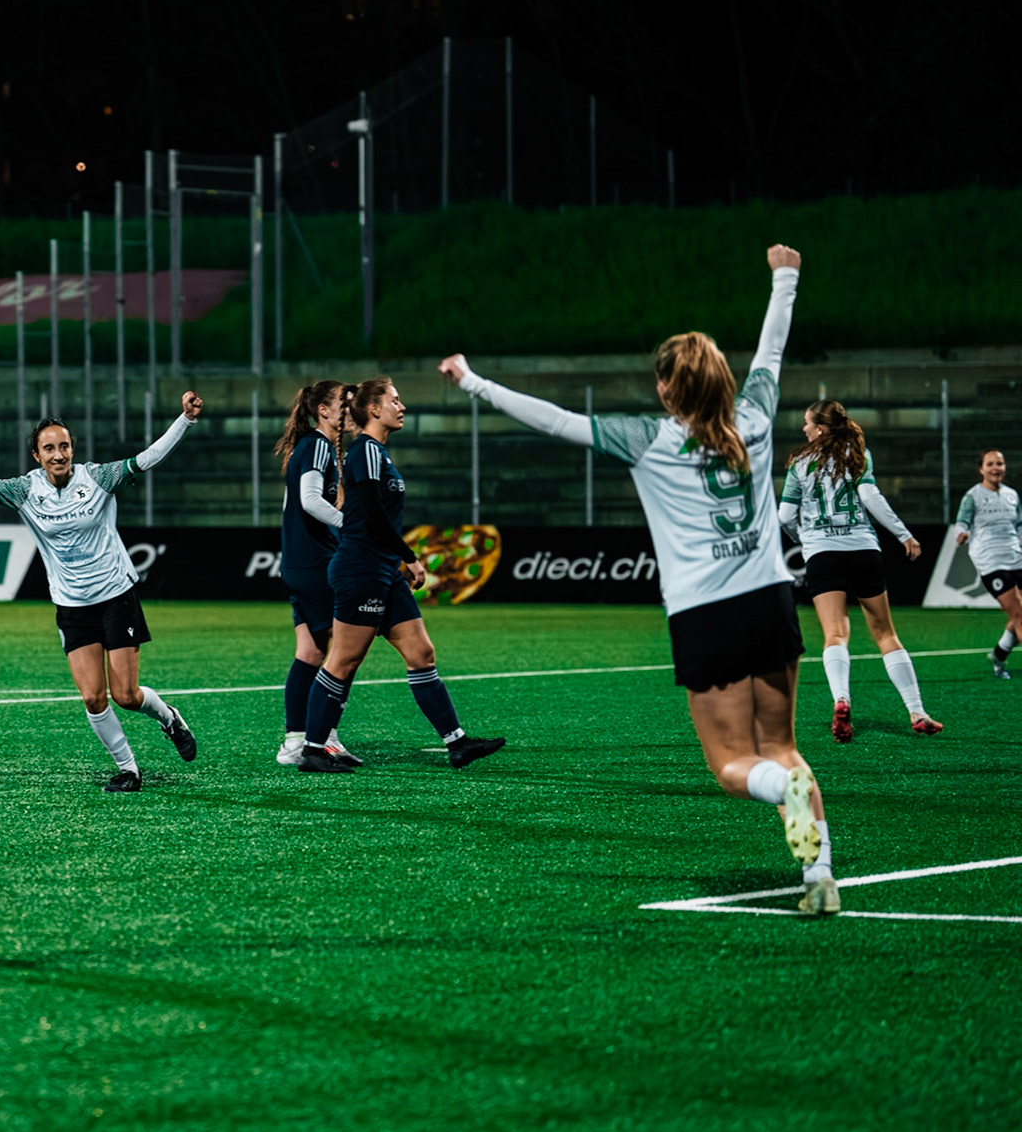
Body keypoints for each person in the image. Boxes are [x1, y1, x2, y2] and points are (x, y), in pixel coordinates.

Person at [438, 244, 840, 915]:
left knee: (733, 766)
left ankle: (782, 793)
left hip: (705, 614)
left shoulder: (649, 439)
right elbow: (771, 350)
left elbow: (556, 421)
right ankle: (819, 876)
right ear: (723, 380)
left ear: (665, 390)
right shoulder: (755, 418)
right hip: (771, 601)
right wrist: (785, 277)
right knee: (783, 747)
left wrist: (474, 381)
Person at [0, 395, 205, 791]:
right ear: (37, 455)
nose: (58, 454)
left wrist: (185, 419)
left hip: (116, 597)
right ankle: (129, 770)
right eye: (49, 448)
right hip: (72, 606)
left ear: (72, 450)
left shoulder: (98, 478)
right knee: (93, 697)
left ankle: (170, 718)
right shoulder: (24, 490)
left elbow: (147, 458)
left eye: (64, 446)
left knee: (126, 696)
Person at [299, 376, 506, 775]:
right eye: (394, 400)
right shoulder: (365, 449)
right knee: (343, 660)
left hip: (382, 570)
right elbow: (372, 514)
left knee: (421, 653)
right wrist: (409, 557)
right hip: (361, 569)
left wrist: (396, 560)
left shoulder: (379, 453)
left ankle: (457, 743)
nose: (402, 406)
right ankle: (312, 749)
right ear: (374, 409)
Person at [778, 400, 940, 739]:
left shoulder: (799, 463)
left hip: (822, 553)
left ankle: (841, 699)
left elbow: (784, 517)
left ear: (821, 428)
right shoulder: (858, 454)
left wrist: (805, 539)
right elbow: (870, 496)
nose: (804, 428)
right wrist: (904, 535)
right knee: (885, 634)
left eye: (807, 423)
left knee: (835, 634)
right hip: (863, 549)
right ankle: (917, 711)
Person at [273, 380, 362, 766]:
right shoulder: (318, 445)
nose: (350, 410)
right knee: (346, 651)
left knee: (310, 652)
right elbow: (309, 501)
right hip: (315, 562)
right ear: (323, 411)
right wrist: (352, 527)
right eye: (344, 404)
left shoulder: (309, 445)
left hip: (298, 562)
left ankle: (295, 742)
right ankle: (324, 737)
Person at [954, 448, 1022, 679]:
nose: (995, 468)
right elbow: (962, 522)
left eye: (999, 464)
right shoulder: (972, 496)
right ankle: (999, 656)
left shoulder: (1012, 495)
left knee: (1018, 616)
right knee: (1019, 614)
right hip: (991, 561)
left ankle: (998, 655)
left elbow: (1019, 525)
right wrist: (961, 533)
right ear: (981, 469)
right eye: (990, 464)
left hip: (1016, 557)